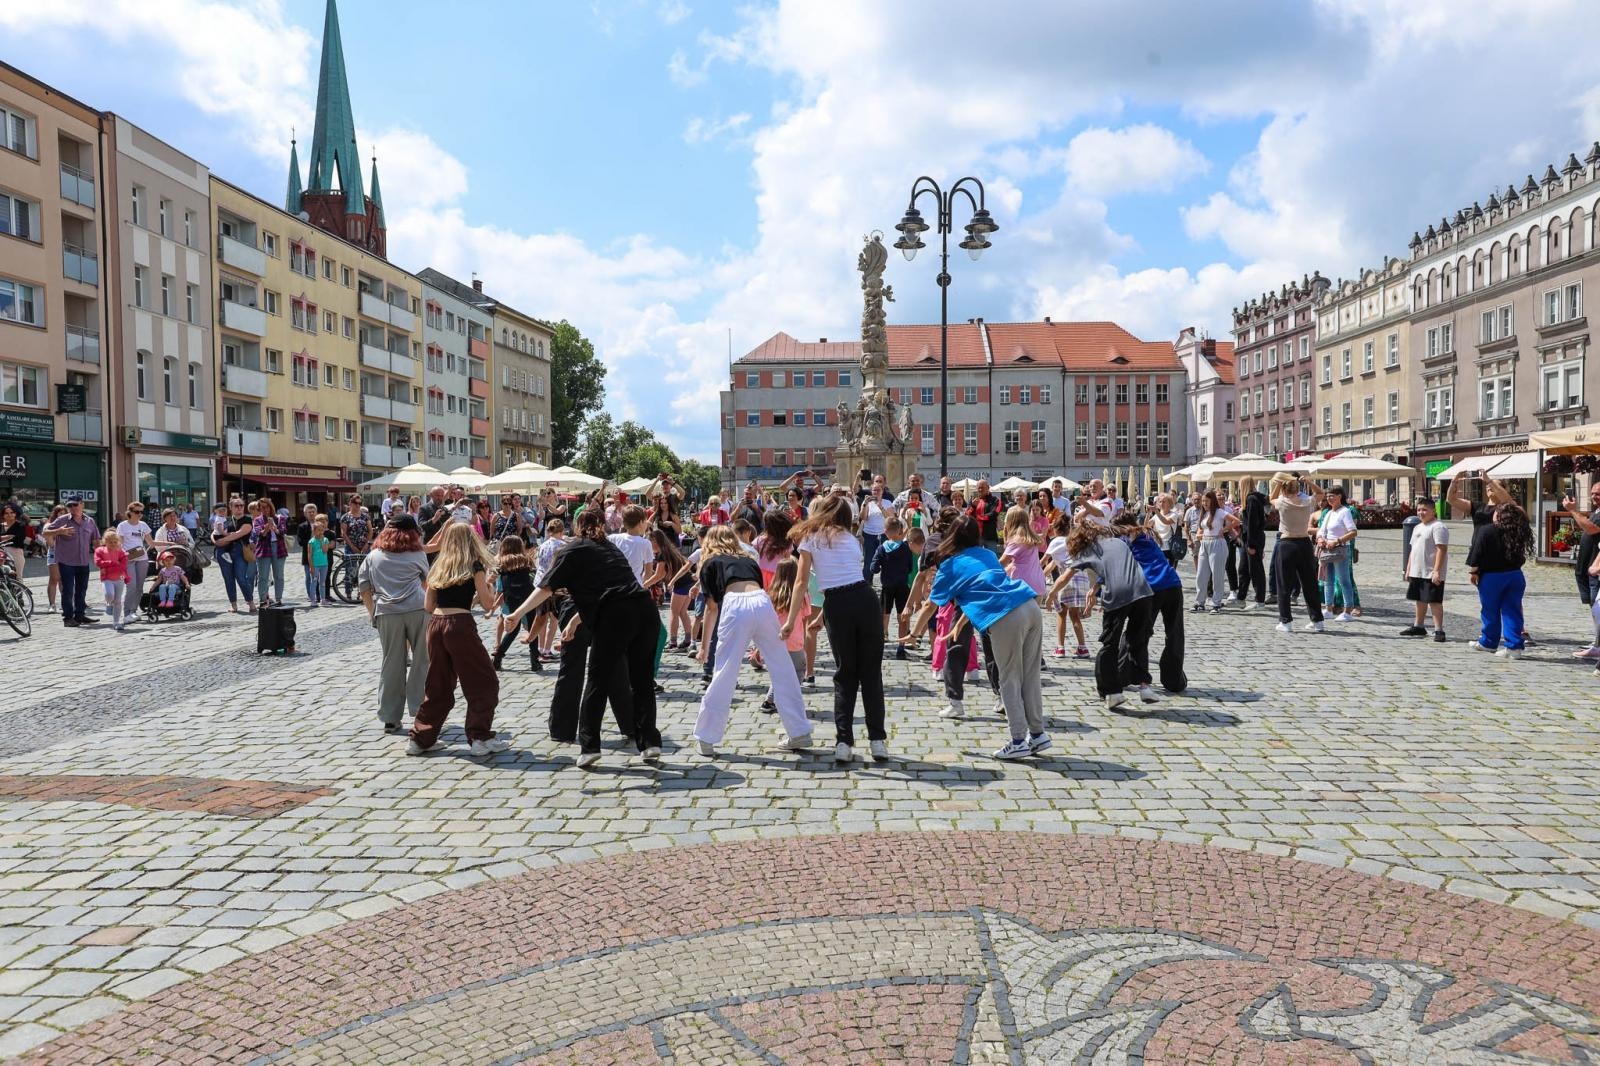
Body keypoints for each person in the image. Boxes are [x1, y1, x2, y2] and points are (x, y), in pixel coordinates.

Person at [506, 509, 663, 769]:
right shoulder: (610, 548)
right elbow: (612, 590)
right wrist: (575, 621)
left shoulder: (573, 549)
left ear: (577, 527)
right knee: (642, 680)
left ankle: (590, 747)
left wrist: (518, 612)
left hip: (615, 616)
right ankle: (650, 743)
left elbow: (545, 588)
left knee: (597, 681)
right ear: (602, 525)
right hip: (645, 611)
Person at [915, 515, 1050, 760]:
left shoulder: (950, 565)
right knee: (1030, 675)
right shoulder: (987, 554)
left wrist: (913, 634)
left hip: (1006, 616)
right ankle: (1038, 735)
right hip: (1029, 606)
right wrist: (961, 624)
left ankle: (1019, 739)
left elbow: (930, 606)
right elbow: (987, 588)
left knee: (1009, 677)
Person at [783, 494, 887, 764]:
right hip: (866, 600)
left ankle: (844, 742)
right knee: (871, 673)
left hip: (838, 605)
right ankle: (878, 742)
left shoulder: (811, 539)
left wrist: (792, 619)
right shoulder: (852, 540)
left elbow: (801, 582)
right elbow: (847, 576)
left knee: (845, 674)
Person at [690, 526, 813, 757]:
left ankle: (706, 736)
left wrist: (704, 647)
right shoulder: (748, 559)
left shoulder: (710, 562)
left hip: (735, 603)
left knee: (725, 670)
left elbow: (711, 609)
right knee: (783, 667)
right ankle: (799, 730)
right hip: (761, 601)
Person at [408, 521, 508, 756]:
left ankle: (421, 739)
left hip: (436, 626)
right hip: (460, 626)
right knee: (484, 682)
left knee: (438, 685)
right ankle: (479, 738)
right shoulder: (474, 565)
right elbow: (487, 604)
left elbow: (428, 605)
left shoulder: (439, 565)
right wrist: (489, 586)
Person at [1045, 516, 1155, 711]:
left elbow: (1065, 576)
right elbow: (1118, 566)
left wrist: (1052, 593)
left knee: (1109, 644)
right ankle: (1144, 686)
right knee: (1138, 640)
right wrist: (1095, 587)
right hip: (1143, 591)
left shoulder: (1087, 551)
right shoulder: (1118, 542)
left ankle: (1112, 692)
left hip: (1118, 595)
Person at [360, 514, 434, 734]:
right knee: (422, 661)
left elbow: (364, 587)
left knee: (391, 663)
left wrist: (372, 612)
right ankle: (420, 711)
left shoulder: (373, 556)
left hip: (387, 612)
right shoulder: (417, 554)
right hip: (417, 609)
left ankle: (391, 717)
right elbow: (427, 583)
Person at [1117, 512, 1186, 693]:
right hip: (1172, 584)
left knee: (1137, 632)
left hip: (1151, 588)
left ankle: (1124, 673)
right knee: (1175, 634)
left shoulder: (1125, 541)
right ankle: (1174, 680)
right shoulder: (1147, 535)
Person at [1467, 499, 1532, 658]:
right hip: (1515, 575)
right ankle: (1514, 647)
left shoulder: (1486, 530)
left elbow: (1477, 553)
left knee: (1490, 611)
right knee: (1512, 611)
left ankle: (1488, 642)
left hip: (1492, 577)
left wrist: (1474, 572)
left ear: (1499, 515)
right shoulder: (1519, 531)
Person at [1269, 472, 1328, 633]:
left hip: (1287, 543)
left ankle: (1286, 621)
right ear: (1297, 489)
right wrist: (1309, 482)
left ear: (1284, 490)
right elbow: (1321, 494)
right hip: (1304, 543)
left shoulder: (1282, 502)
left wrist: (1278, 485)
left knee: (1284, 584)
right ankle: (1317, 620)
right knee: (1309, 583)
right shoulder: (1307, 501)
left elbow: (1270, 498)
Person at [1043, 511, 1093, 659]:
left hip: (1067, 578)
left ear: (1056, 529)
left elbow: (1045, 561)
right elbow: (1052, 564)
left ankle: (1060, 647)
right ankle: (1082, 647)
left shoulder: (1055, 542)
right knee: (1075, 615)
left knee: (1061, 614)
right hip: (1081, 578)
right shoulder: (1072, 541)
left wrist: (1038, 575)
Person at [43, 499, 100, 627]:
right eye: (70, 505)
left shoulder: (90, 521)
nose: (73, 507)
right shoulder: (63, 520)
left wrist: (100, 556)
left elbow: (96, 540)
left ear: (82, 505)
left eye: (75, 504)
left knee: (82, 590)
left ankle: (79, 615)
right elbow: (45, 532)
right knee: (68, 590)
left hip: (83, 561)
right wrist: (59, 531)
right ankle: (68, 618)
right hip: (66, 562)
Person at [1399, 497, 1449, 641]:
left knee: (1434, 601)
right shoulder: (1417, 527)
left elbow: (1442, 549)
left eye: (1425, 510)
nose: (1421, 513)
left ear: (1433, 511)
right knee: (1419, 599)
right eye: (1419, 510)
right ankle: (1419, 626)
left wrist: (1437, 570)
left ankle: (1439, 630)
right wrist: (1408, 569)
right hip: (1417, 570)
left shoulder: (1438, 526)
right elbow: (1413, 550)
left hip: (1430, 571)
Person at [488, 535, 540, 672]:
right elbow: (534, 576)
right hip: (527, 596)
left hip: (511, 597)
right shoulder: (526, 560)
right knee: (532, 627)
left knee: (513, 628)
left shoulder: (502, 562)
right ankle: (535, 661)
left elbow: (491, 578)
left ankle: (498, 657)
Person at [1560, 483, 1600, 658]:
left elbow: (1591, 529)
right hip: (1587, 568)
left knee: (1597, 608)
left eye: (1598, 494)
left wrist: (1573, 510)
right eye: (1592, 493)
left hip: (1596, 571)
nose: (1594, 496)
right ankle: (1597, 642)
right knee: (1594, 608)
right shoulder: (1596, 512)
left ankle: (1598, 645)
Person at [870, 516, 915, 658]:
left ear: (885, 531)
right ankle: (901, 647)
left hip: (887, 585)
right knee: (902, 616)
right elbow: (910, 567)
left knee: (884, 614)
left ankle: (880, 644)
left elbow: (873, 568)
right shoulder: (905, 548)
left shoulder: (881, 548)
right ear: (900, 531)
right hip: (902, 585)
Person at [1315, 487, 1360, 621]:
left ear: (1340, 496)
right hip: (1327, 550)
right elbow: (1321, 530)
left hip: (1340, 550)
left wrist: (1337, 541)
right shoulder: (1328, 513)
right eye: (1328, 496)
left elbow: (1353, 532)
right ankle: (1328, 608)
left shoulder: (1345, 511)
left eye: (1332, 495)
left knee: (1343, 580)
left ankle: (1347, 610)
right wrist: (1320, 539)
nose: (1329, 498)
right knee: (1328, 580)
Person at [1191, 490, 1239, 613]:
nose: (1204, 503)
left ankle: (1216, 603)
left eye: (1206, 501)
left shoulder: (1219, 512)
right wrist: (1199, 534)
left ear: (1212, 501)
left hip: (1217, 544)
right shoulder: (1204, 513)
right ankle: (1199, 601)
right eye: (1203, 501)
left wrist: (1223, 530)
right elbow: (1201, 529)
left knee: (1217, 575)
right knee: (1201, 575)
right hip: (1204, 544)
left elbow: (1236, 521)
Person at [213, 498, 256, 613]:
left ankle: (250, 602)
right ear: (231, 507)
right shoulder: (225, 520)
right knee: (228, 578)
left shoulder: (247, 519)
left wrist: (224, 540)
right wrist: (214, 541)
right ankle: (233, 604)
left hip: (240, 551)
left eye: (241, 505)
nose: (240, 508)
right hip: (224, 551)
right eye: (236, 506)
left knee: (241, 577)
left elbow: (241, 533)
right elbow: (214, 533)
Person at [116, 502, 153, 622]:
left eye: (142, 512)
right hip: (128, 559)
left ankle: (133, 611)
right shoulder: (123, 526)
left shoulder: (143, 525)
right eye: (137, 512)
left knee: (139, 587)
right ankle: (126, 613)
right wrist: (123, 554)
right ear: (130, 512)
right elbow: (119, 544)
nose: (140, 514)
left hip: (142, 558)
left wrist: (169, 544)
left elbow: (151, 543)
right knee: (131, 586)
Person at [1236, 480, 1269, 608]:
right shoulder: (1252, 500)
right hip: (1249, 539)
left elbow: (1252, 524)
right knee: (1243, 569)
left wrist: (1251, 544)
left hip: (1252, 539)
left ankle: (1260, 600)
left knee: (1256, 570)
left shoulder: (1251, 500)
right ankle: (1241, 597)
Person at [251, 497, 287, 607]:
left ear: (271, 507)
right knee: (263, 576)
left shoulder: (280, 518)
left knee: (279, 575)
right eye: (262, 508)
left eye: (267, 507)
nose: (265, 510)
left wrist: (275, 528)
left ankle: (278, 599)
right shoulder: (257, 520)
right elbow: (260, 534)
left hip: (278, 547)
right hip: (264, 548)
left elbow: (283, 531)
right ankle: (263, 599)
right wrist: (267, 527)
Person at [95, 528, 130, 631]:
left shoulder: (121, 551)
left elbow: (123, 566)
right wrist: (112, 563)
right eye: (110, 542)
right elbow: (98, 563)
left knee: (118, 601)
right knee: (109, 595)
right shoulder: (99, 551)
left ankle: (116, 622)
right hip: (107, 578)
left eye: (115, 542)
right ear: (105, 542)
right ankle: (109, 603)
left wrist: (125, 575)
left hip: (120, 577)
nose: (113, 544)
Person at [42, 503, 67, 613]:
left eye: (64, 513)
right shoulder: (49, 525)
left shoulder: (69, 523)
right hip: (54, 552)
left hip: (68, 553)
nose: (62, 515)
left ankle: (65, 603)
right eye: (60, 513)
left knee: (65, 579)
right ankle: (52, 604)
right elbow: (51, 543)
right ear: (55, 514)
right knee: (54, 578)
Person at [966, 480, 1004, 551]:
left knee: (991, 558)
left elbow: (993, 515)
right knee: (977, 558)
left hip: (990, 537)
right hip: (975, 536)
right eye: (979, 488)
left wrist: (977, 517)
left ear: (988, 488)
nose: (980, 490)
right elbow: (967, 516)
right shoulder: (972, 500)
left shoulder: (995, 500)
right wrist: (973, 506)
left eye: (982, 488)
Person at [294, 504, 321, 603]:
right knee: (309, 576)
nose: (312, 514)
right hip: (308, 555)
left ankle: (320, 595)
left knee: (319, 577)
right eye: (309, 512)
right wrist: (312, 540)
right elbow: (301, 542)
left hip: (320, 555)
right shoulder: (302, 526)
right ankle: (311, 595)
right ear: (305, 514)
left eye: (313, 512)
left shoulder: (321, 525)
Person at [306, 517, 331, 606]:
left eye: (322, 530)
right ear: (314, 531)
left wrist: (321, 542)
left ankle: (323, 599)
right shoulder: (311, 542)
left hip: (324, 564)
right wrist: (311, 566)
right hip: (315, 565)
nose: (320, 532)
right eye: (318, 530)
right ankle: (313, 600)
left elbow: (325, 550)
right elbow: (309, 554)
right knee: (314, 582)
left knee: (322, 582)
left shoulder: (325, 540)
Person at [0, 503, 27, 582]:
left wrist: (2, 538)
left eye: (12, 512)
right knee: (3, 576)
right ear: (3, 515)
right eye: (6, 513)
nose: (9, 515)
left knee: (17, 576)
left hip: (15, 552)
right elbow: (13, 538)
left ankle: (18, 594)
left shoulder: (20, 525)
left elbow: (18, 540)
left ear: (15, 514)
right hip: (1, 553)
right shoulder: (1, 526)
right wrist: (6, 537)